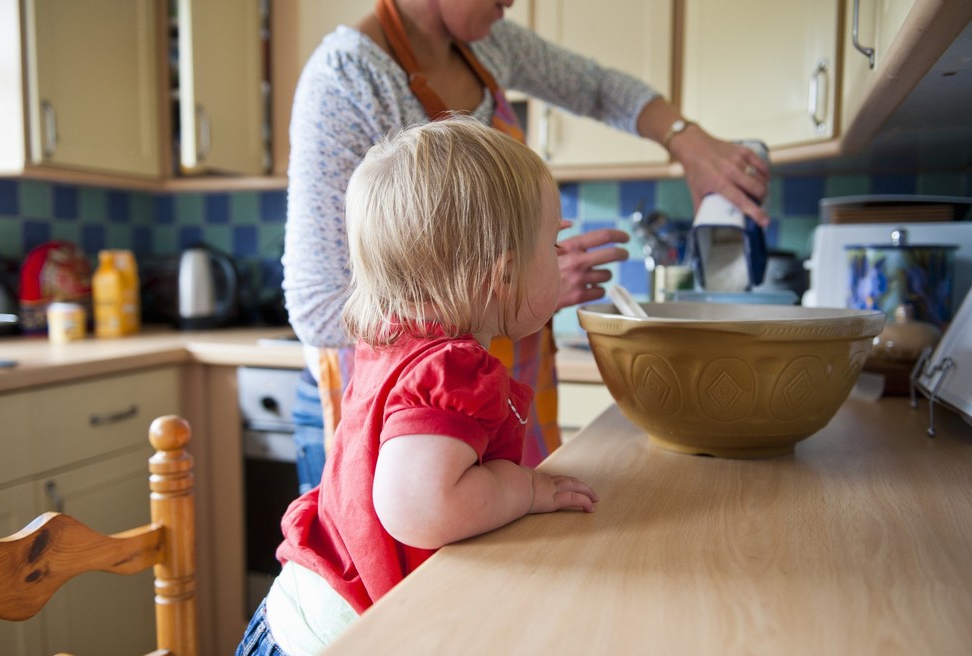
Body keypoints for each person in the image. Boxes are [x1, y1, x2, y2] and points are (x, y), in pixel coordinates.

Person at [283, 0, 772, 485]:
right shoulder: (346, 80)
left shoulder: (489, 42)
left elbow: (599, 89)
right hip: (398, 418)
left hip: (486, 387)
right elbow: (318, 309)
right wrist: (509, 294)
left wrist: (686, 140)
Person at [237, 117, 600, 656]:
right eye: (553, 243)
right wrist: (524, 490)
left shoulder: (398, 343)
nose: (560, 257)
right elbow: (418, 506)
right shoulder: (454, 369)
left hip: (300, 622)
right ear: (502, 275)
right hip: (333, 642)